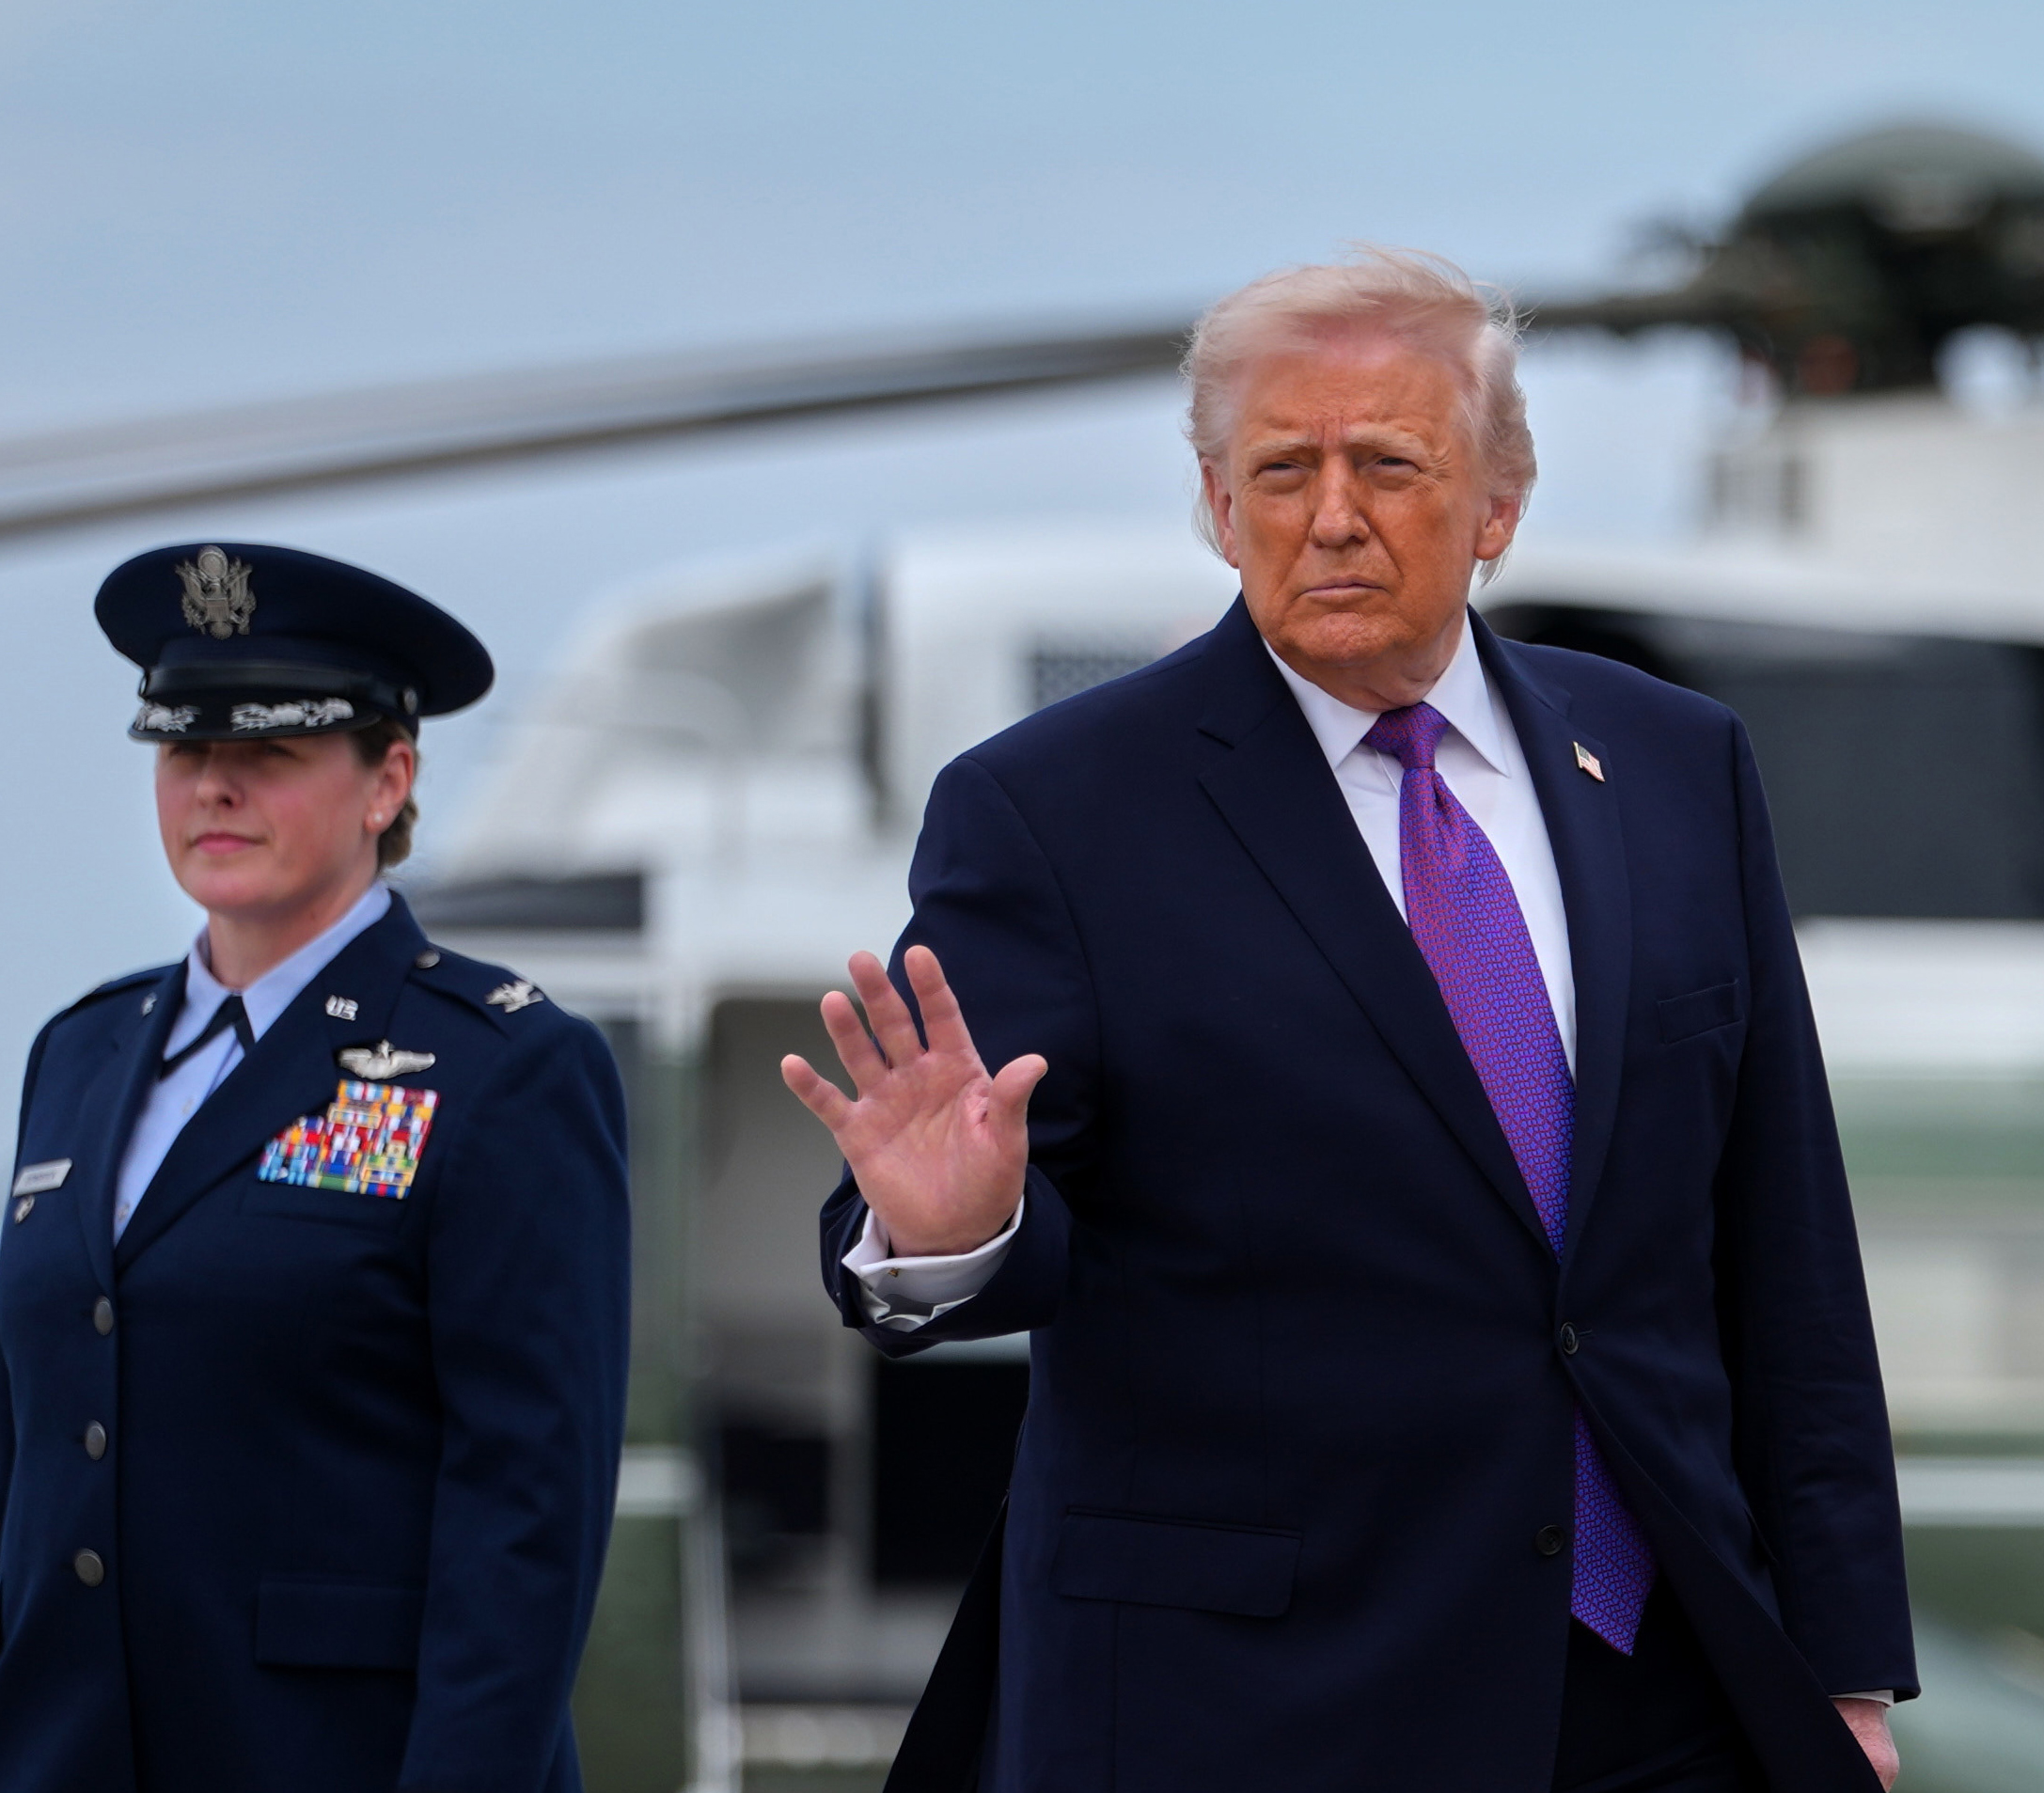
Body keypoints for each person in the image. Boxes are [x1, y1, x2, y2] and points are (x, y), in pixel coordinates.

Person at [783, 251, 1912, 1793]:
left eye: (1387, 465)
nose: (1329, 515)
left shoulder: (1672, 765)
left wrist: (1842, 1666)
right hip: (1252, 1706)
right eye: (1279, 469)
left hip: (1658, 1698)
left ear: (1497, 505)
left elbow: (1782, 1247)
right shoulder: (1056, 811)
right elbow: (953, 1208)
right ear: (1214, 501)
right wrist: (953, 1230)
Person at [0, 543, 632, 1793]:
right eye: (183, 749)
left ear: (389, 781)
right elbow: (25, 1495)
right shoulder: (80, 1052)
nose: (214, 786)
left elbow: (525, 1524)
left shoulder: (503, 1069)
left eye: (267, 752)